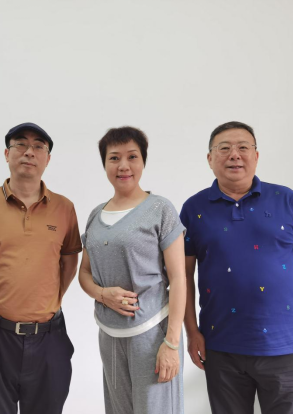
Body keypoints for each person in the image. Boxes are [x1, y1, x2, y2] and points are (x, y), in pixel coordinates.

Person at [180, 121, 293, 414]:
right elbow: (182, 274)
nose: (234, 155)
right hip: (220, 346)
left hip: (286, 346)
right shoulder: (194, 208)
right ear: (210, 158)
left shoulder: (286, 199)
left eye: (243, 147)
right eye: (224, 148)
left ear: (256, 156)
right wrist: (191, 331)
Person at [0, 122, 82, 414]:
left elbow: (69, 262)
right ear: (6, 154)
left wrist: (45, 299)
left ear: (48, 158)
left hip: (49, 338)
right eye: (20, 144)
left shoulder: (64, 208)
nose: (29, 152)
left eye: (38, 147)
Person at [78, 126, 187, 414]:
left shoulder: (160, 209)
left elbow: (179, 279)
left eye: (132, 156)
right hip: (110, 335)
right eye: (114, 158)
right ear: (104, 164)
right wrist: (103, 295)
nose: (123, 165)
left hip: (152, 334)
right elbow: (84, 274)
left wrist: (172, 344)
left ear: (143, 161)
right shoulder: (96, 215)